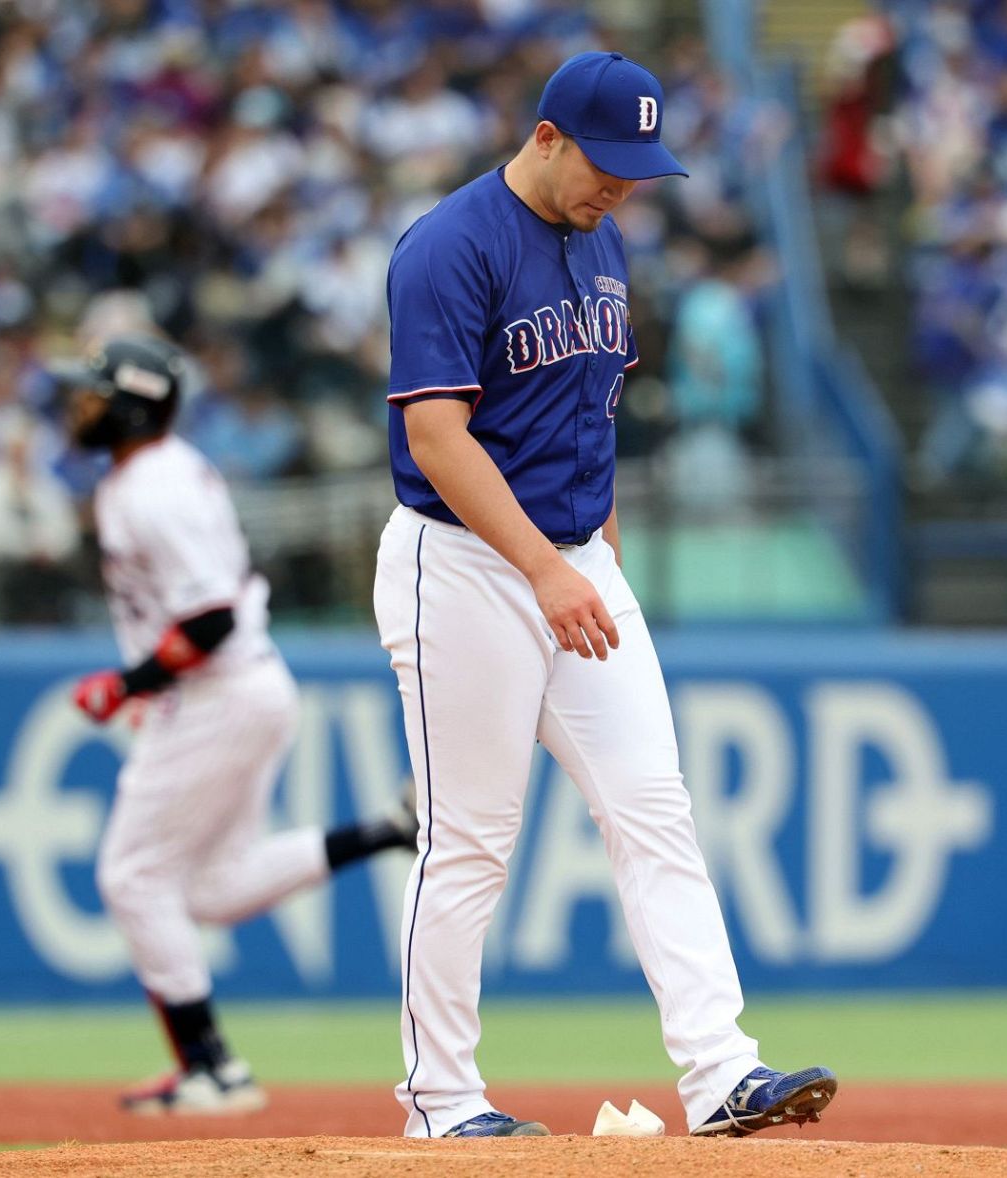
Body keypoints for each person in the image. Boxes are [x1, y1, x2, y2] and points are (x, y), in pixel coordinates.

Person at [374, 51, 838, 1140]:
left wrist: (595, 554)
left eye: (638, 165)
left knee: (653, 807)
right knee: (469, 839)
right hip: (465, 564)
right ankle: (438, 1099)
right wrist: (542, 564)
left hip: (573, 559)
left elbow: (590, 408)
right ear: (545, 137)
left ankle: (721, 1071)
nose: (622, 184)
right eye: (606, 161)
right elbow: (435, 435)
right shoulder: (447, 244)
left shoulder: (604, 236)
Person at [58, 334, 416, 1114]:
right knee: (212, 889)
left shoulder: (151, 486)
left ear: (129, 403)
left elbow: (211, 616)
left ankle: (212, 1070)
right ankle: (389, 830)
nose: (76, 405)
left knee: (132, 874)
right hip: (240, 690)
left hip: (218, 693)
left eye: (91, 391)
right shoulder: (154, 474)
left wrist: (126, 685)